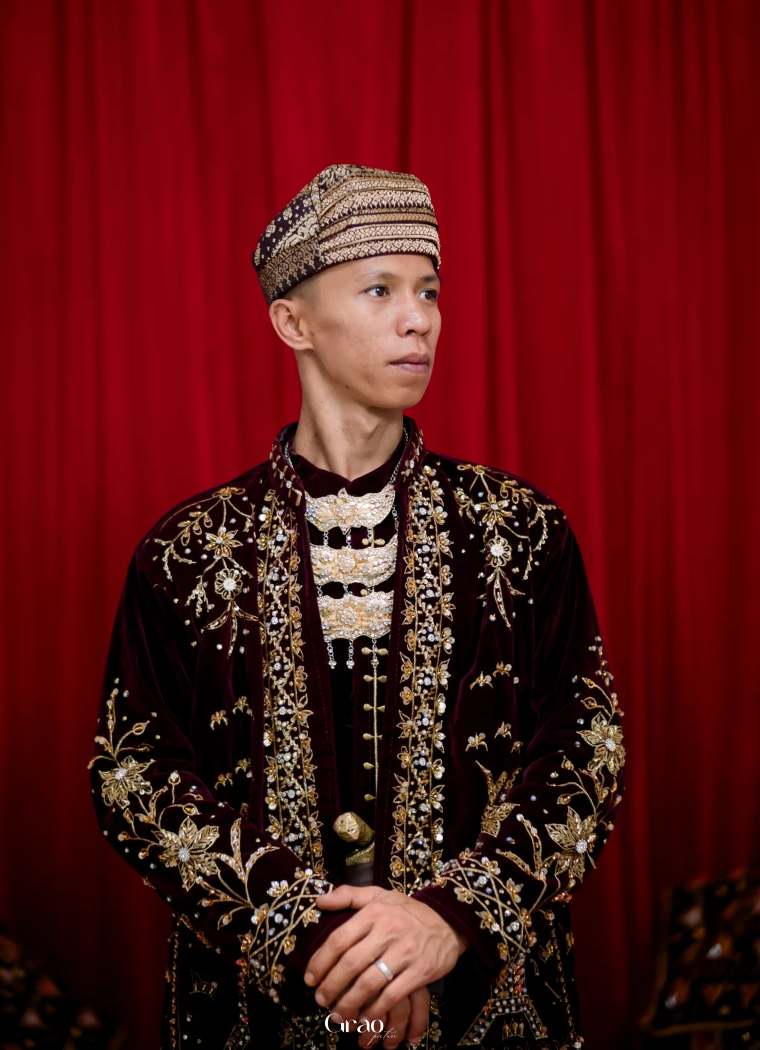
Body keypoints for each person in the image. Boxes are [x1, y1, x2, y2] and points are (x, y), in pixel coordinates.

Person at [89, 164, 626, 1050]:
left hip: (484, 1004)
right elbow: (134, 778)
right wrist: (323, 947)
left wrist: (447, 921)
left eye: (429, 291)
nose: (420, 319)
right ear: (293, 322)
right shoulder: (186, 553)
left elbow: (587, 750)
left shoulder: (519, 531)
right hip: (262, 1012)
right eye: (380, 290)